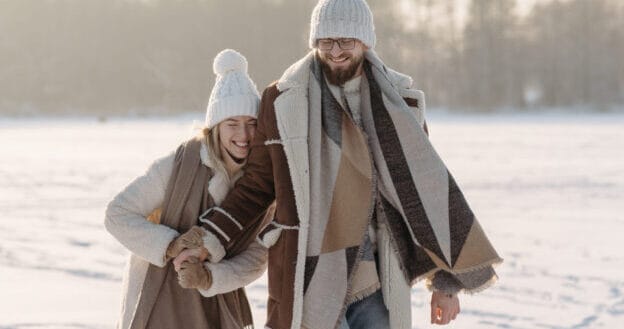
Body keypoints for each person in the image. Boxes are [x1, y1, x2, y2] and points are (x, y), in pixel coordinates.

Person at [179, 0, 503, 328]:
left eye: (345, 41)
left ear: (364, 41)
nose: (335, 51)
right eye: (325, 41)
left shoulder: (400, 103)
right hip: (307, 276)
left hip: (376, 282)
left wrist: (446, 285)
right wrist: (208, 240)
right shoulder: (281, 101)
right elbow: (257, 187)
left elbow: (423, 196)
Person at [105, 49, 272, 329]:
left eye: (251, 124)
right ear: (215, 127)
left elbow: (257, 257)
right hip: (159, 298)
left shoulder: (261, 183)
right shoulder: (178, 166)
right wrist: (171, 244)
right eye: (232, 124)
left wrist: (209, 277)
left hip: (218, 304)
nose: (243, 136)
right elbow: (117, 215)